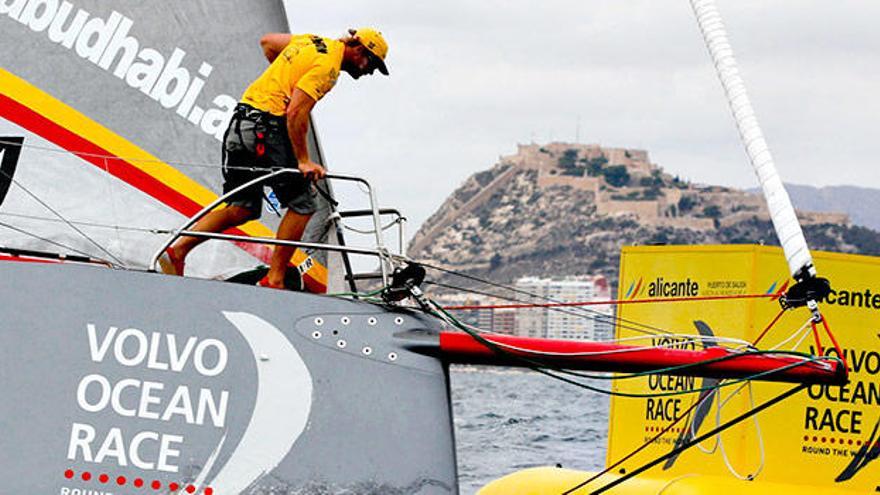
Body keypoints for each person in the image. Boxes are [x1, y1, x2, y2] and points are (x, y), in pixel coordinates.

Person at [158, 28, 389, 288]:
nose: (370, 71)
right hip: (266, 129)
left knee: (242, 207)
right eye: (372, 63)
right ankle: (275, 279)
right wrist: (303, 160)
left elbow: (268, 42)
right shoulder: (329, 69)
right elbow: (296, 114)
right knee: (303, 206)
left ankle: (178, 250)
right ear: (359, 50)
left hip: (240, 123)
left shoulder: (312, 42)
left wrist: (284, 78)